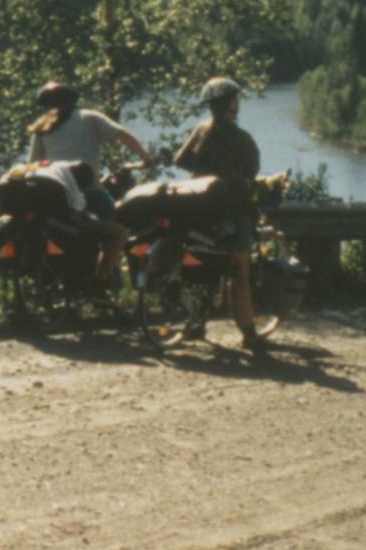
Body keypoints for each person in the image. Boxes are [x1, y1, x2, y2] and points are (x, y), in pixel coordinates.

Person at [173, 77, 271, 347]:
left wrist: (204, 170)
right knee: (240, 271)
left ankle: (195, 324)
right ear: (230, 104)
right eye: (235, 100)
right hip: (233, 209)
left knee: (201, 266)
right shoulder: (241, 138)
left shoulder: (200, 130)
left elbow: (179, 159)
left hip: (200, 208)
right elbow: (251, 173)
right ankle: (249, 335)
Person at [26, 81, 153, 291]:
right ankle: (101, 278)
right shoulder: (88, 117)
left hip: (56, 198)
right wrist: (146, 158)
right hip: (88, 193)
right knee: (119, 232)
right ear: (73, 100)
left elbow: (33, 165)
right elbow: (123, 135)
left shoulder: (41, 128)